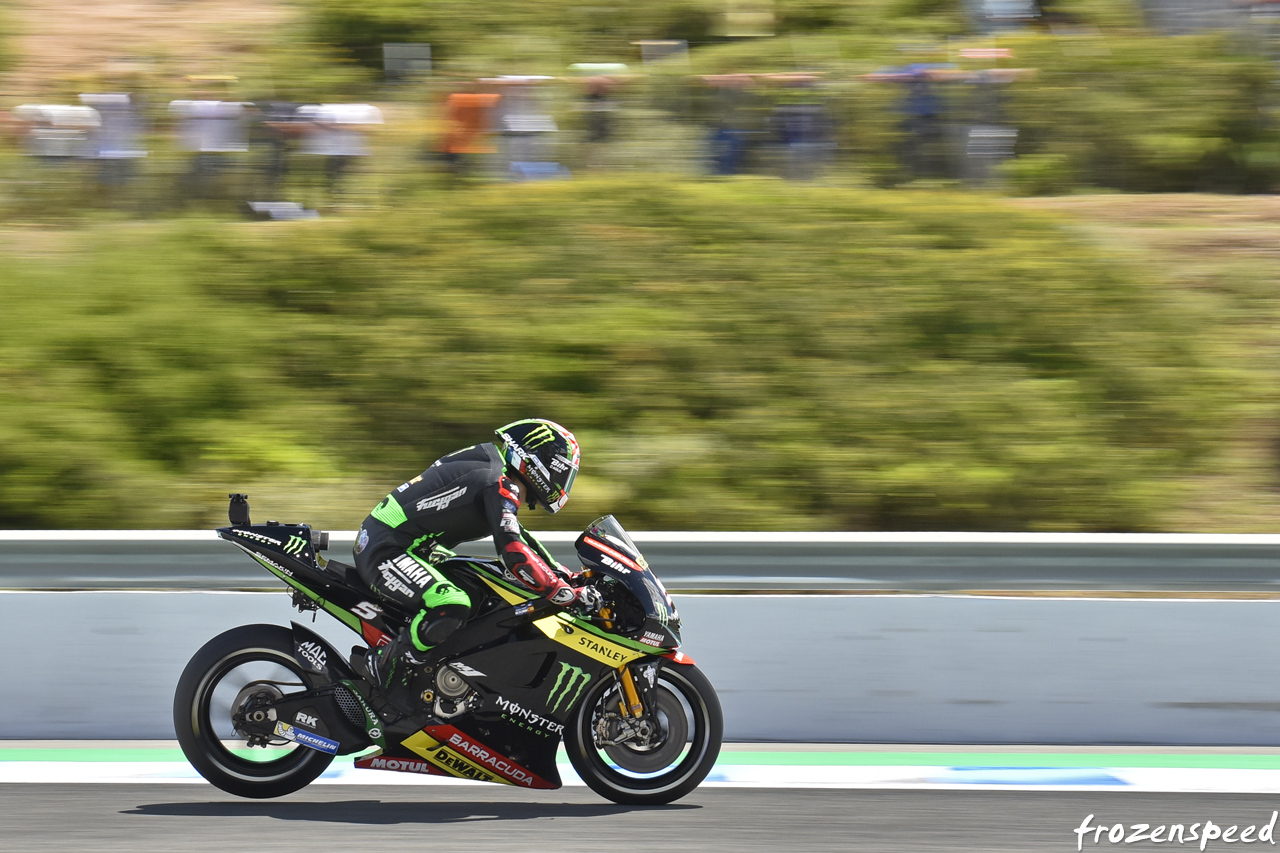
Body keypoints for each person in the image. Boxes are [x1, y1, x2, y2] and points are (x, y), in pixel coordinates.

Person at [350, 419, 601, 707]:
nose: (560, 483)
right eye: (560, 472)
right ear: (538, 461)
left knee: (482, 592)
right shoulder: (499, 482)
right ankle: (382, 668)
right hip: (386, 549)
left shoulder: (496, 473)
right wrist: (558, 590)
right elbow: (514, 552)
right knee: (453, 603)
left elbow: (518, 536)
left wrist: (564, 575)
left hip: (407, 548)